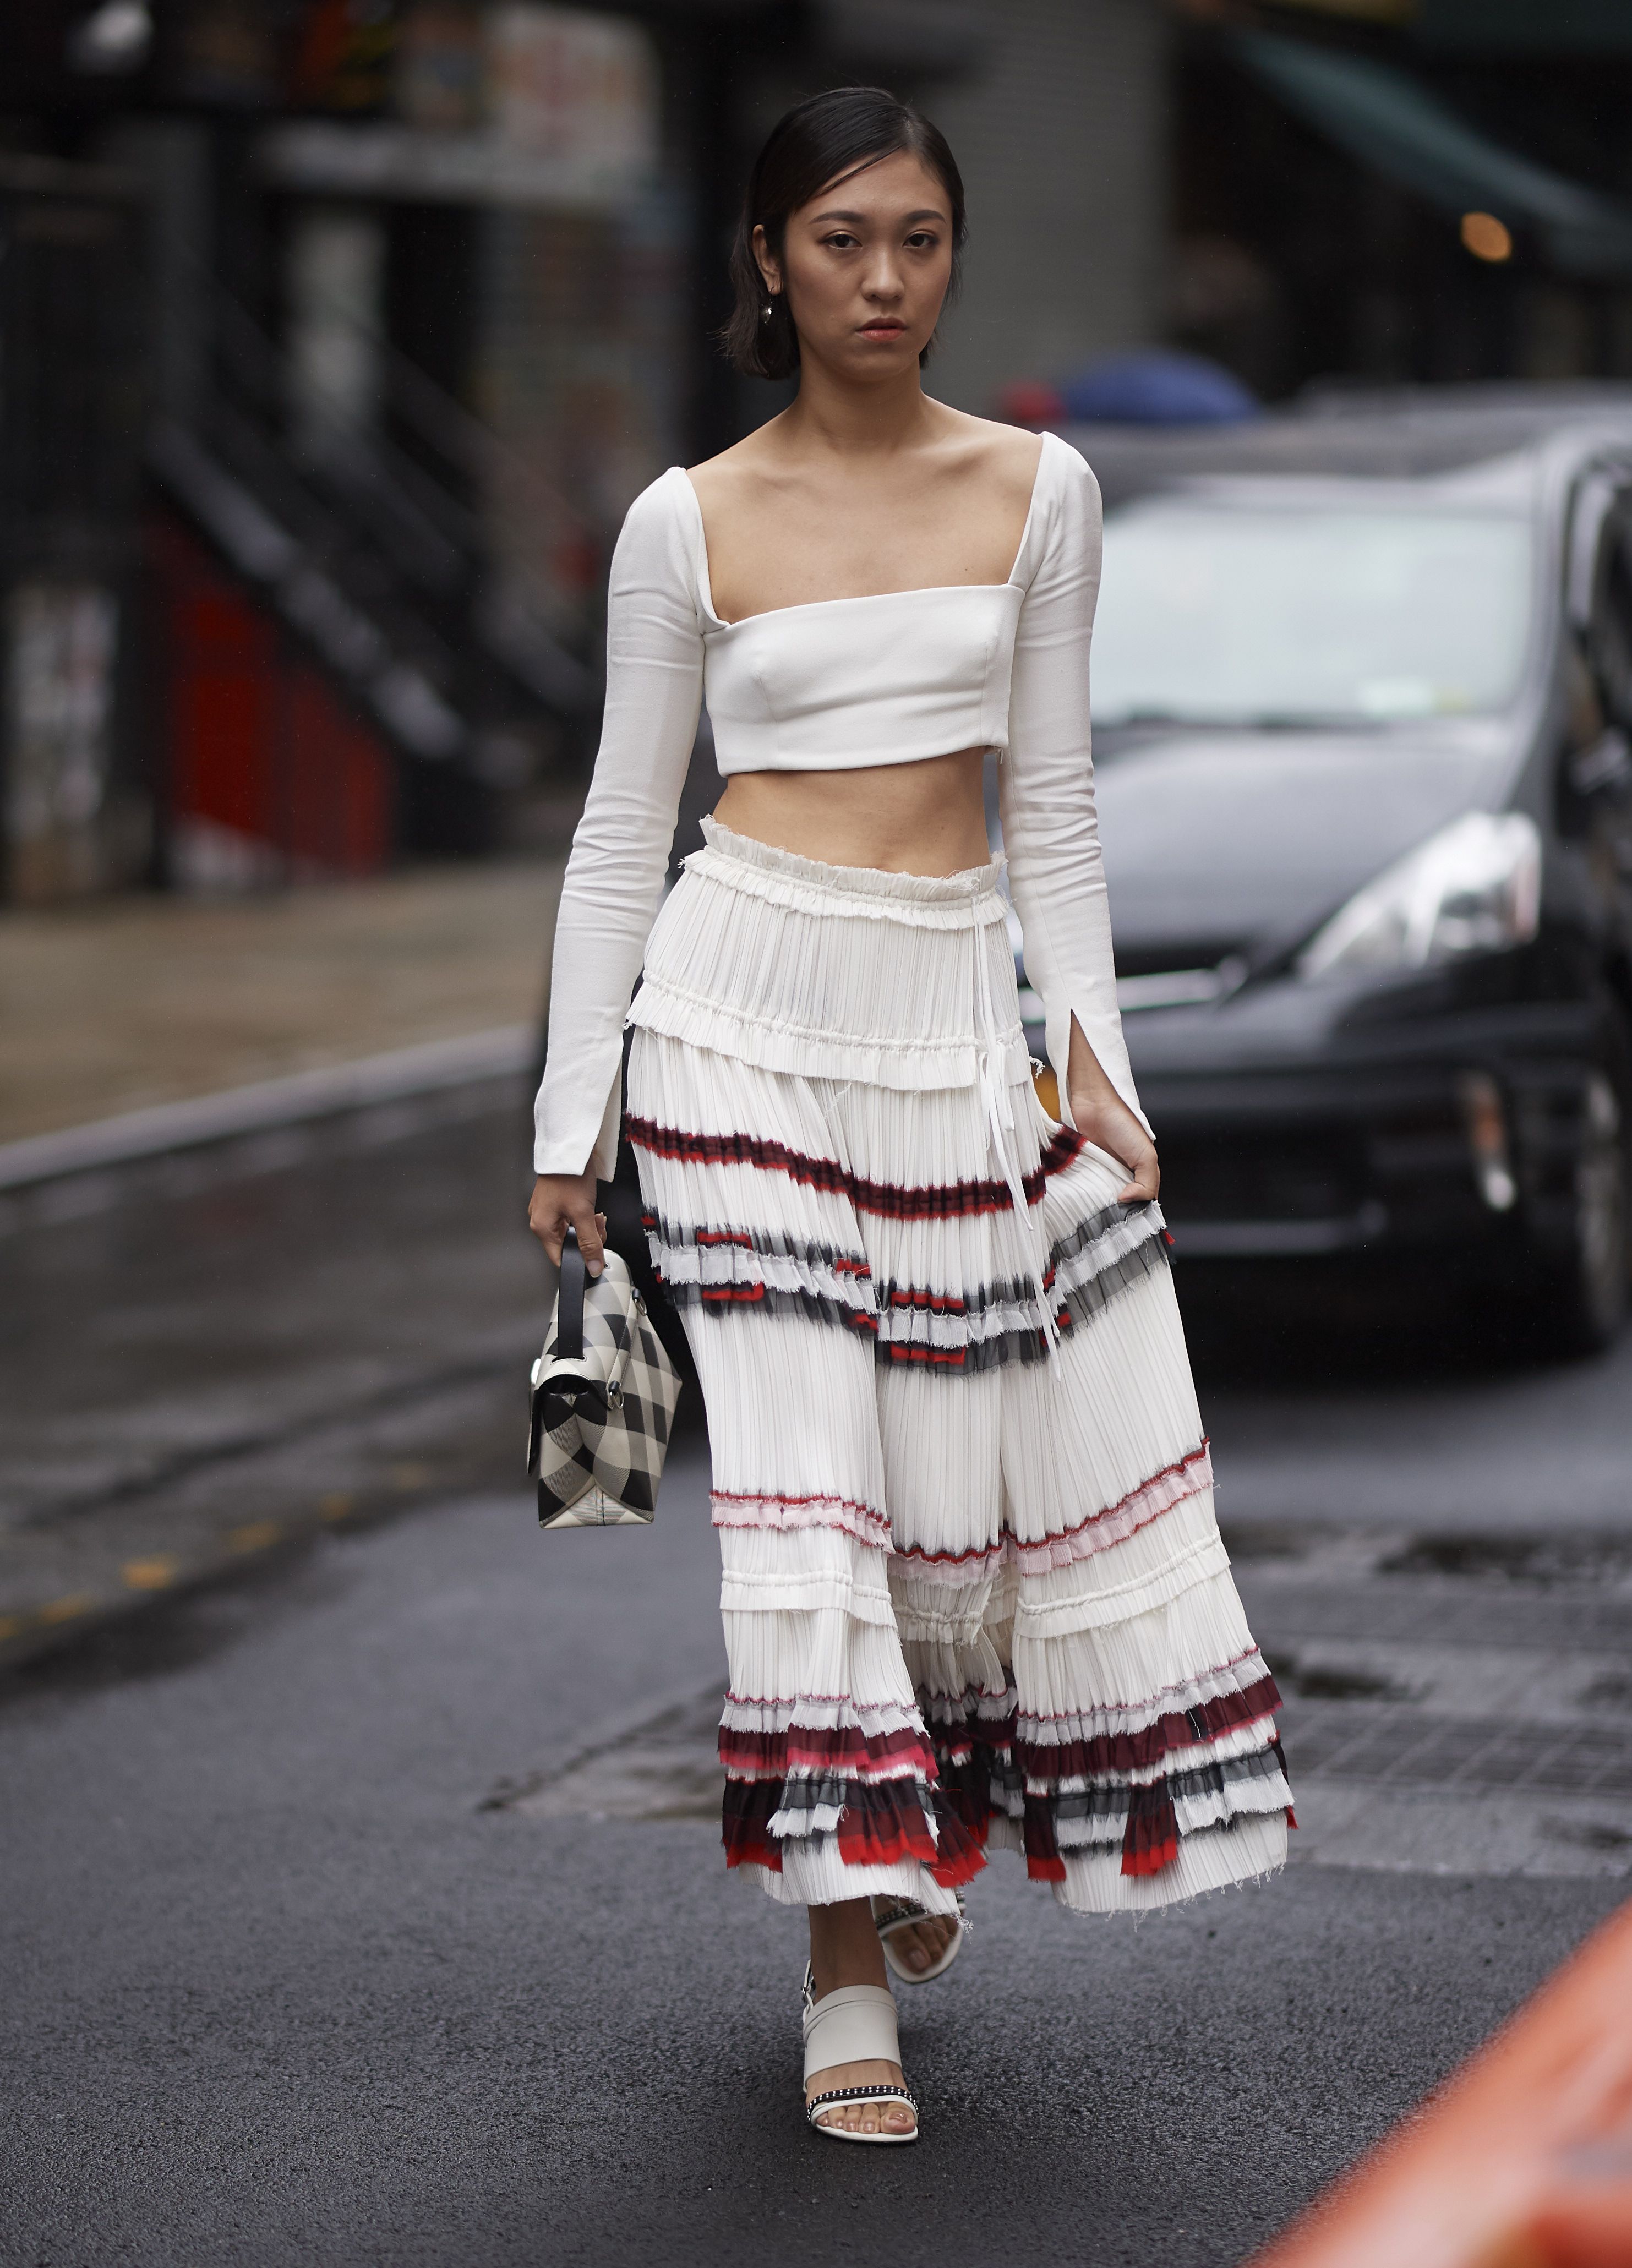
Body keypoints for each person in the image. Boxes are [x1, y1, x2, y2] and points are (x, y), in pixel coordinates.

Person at [529, 86, 1291, 2145]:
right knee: (804, 1492)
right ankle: (844, 1956)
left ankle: (895, 1815)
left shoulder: (1042, 491)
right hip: (736, 1014)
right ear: (769, 260)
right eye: (842, 239)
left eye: (920, 239)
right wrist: (567, 1120)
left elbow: (1051, 811)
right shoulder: (684, 521)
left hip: (954, 1010)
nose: (884, 279)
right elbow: (623, 828)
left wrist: (1094, 1066)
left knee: (946, 1504)